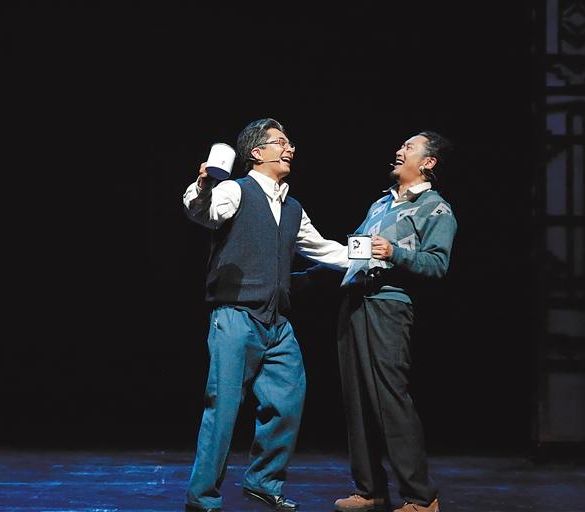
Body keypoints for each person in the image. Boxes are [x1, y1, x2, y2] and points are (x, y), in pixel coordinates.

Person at [182, 118, 349, 512]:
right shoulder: (235, 190)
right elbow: (205, 213)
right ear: (257, 153)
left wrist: (372, 256)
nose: (290, 149)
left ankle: (263, 481)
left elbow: (325, 249)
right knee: (223, 408)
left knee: (288, 400)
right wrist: (204, 185)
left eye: (290, 143)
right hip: (236, 315)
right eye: (281, 142)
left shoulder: (293, 207)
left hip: (276, 322)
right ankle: (202, 497)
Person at [331, 131, 457, 512]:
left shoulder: (436, 208)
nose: (399, 151)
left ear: (428, 162)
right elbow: (355, 252)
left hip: (389, 305)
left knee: (390, 399)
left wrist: (395, 253)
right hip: (355, 301)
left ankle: (421, 497)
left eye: (409, 147)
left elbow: (437, 264)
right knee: (357, 399)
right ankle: (370, 489)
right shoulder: (380, 204)